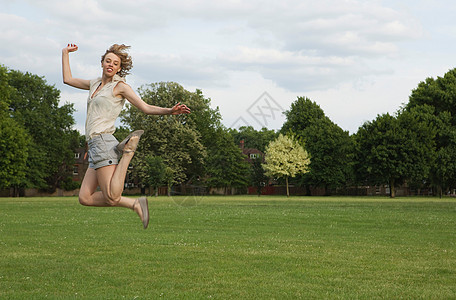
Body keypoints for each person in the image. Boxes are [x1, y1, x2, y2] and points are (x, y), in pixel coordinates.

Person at [62, 43, 191, 229]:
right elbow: (67, 79)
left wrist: (170, 110)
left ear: (119, 68)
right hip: (94, 145)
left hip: (104, 141)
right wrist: (65, 53)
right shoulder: (94, 84)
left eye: (115, 63)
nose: (111, 65)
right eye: (108, 61)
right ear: (102, 63)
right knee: (85, 197)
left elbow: (145, 107)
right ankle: (135, 203)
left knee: (112, 196)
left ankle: (128, 152)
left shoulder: (120, 87)